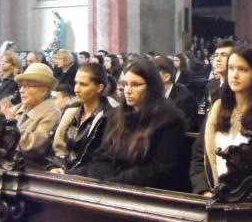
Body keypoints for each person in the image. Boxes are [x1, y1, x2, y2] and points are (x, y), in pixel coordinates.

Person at [68, 59, 185, 189]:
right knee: (64, 180)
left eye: (135, 85)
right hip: (110, 183)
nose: (128, 91)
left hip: (144, 189)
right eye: (125, 84)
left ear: (152, 87)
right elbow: (103, 157)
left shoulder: (170, 119)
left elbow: (157, 169)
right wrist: (105, 181)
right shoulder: (115, 115)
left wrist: (113, 183)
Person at [190, 47, 252, 195]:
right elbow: (199, 156)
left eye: (243, 69)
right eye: (231, 68)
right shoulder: (217, 108)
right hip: (212, 194)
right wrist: (204, 190)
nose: (235, 75)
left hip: (250, 198)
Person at [49, 63, 118, 173]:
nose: (76, 89)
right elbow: (58, 150)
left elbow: (102, 162)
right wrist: (54, 166)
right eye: (76, 83)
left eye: (83, 84)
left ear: (99, 88)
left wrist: (68, 173)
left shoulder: (110, 116)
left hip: (90, 177)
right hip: (66, 172)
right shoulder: (71, 112)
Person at [7, 62, 61, 167]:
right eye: (21, 86)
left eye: (27, 86)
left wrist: (9, 127)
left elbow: (32, 146)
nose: (21, 91)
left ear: (44, 91)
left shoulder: (52, 113)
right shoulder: (17, 108)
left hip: (32, 169)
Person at [154, 55, 199, 131]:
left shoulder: (185, 98)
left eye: (153, 74)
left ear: (166, 77)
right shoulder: (151, 97)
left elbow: (185, 127)